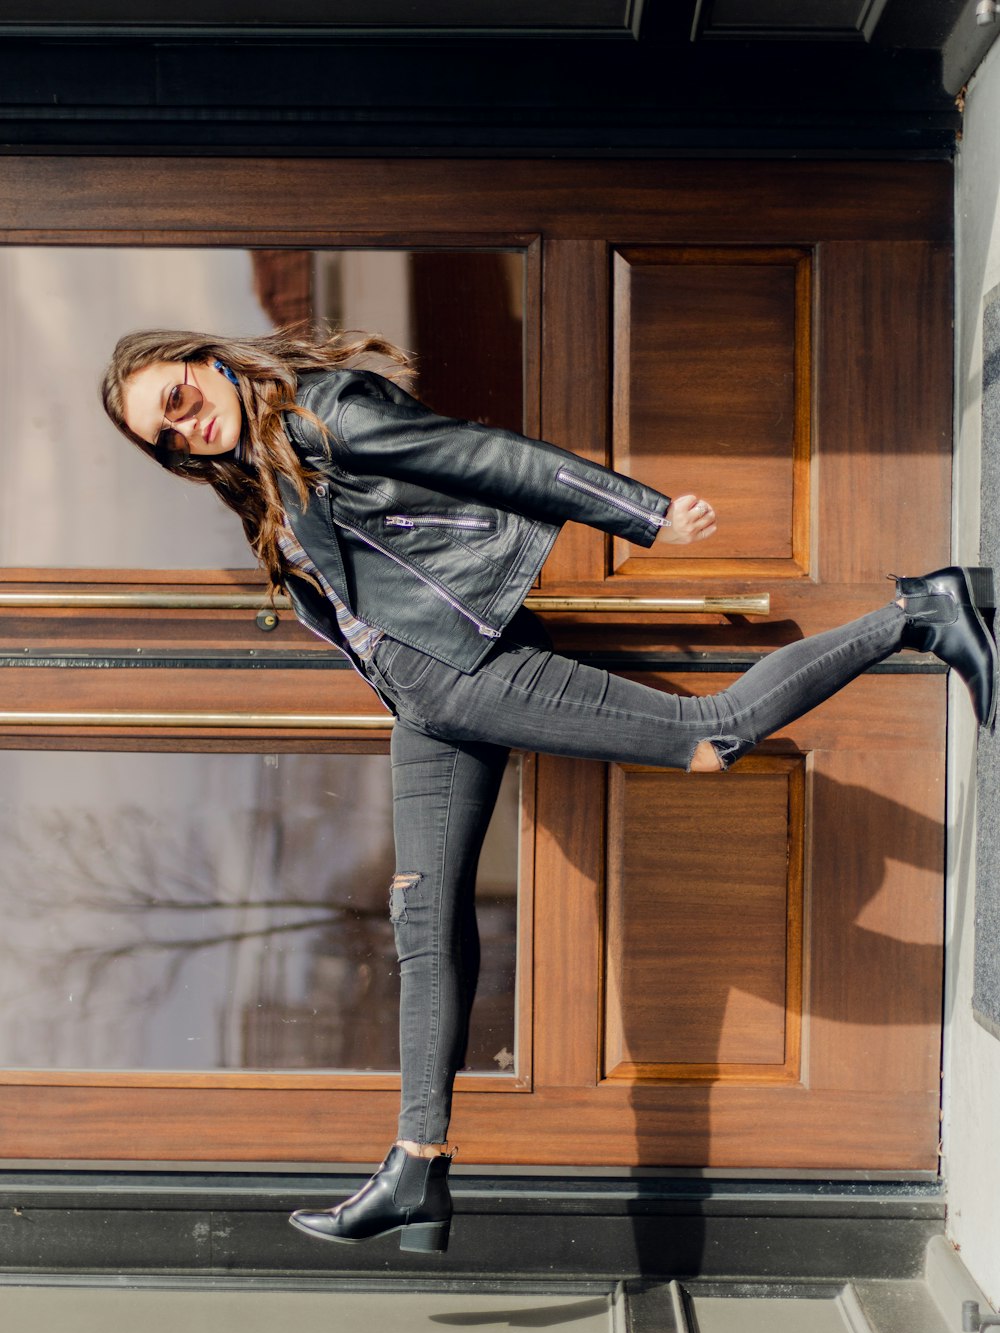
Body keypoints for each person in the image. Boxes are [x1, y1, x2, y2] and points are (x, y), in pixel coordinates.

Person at [102, 325, 997, 1256]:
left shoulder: (326, 416)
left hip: (467, 667)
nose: (186, 429)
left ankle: (920, 612)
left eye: (176, 400)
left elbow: (483, 456)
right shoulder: (274, 466)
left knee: (705, 739)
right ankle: (417, 1163)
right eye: (165, 438)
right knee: (422, 918)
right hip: (425, 700)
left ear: (204, 361)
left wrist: (638, 512)